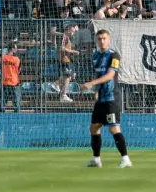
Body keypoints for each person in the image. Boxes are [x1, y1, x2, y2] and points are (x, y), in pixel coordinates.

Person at [81, 30, 132, 168]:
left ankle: (125, 159)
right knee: (94, 127)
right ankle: (96, 160)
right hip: (101, 98)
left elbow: (110, 75)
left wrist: (91, 84)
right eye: (99, 39)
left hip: (111, 98)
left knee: (114, 128)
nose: (101, 41)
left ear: (109, 40)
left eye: (104, 38)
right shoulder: (96, 56)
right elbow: (100, 75)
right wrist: (97, 91)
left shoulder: (114, 55)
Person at [52, 24, 81, 102]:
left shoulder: (67, 37)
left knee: (69, 77)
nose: (73, 33)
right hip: (64, 60)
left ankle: (62, 95)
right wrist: (73, 51)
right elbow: (62, 48)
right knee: (67, 77)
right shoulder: (64, 37)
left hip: (67, 60)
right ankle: (56, 85)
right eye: (73, 31)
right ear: (68, 30)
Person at [0, 44, 22, 113]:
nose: (16, 49)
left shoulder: (2, 58)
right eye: (16, 48)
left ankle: (0, 117)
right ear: (12, 49)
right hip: (14, 82)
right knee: (16, 103)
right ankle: (17, 118)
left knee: (3, 102)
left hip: (5, 82)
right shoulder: (16, 59)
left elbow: (1, 68)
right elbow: (19, 70)